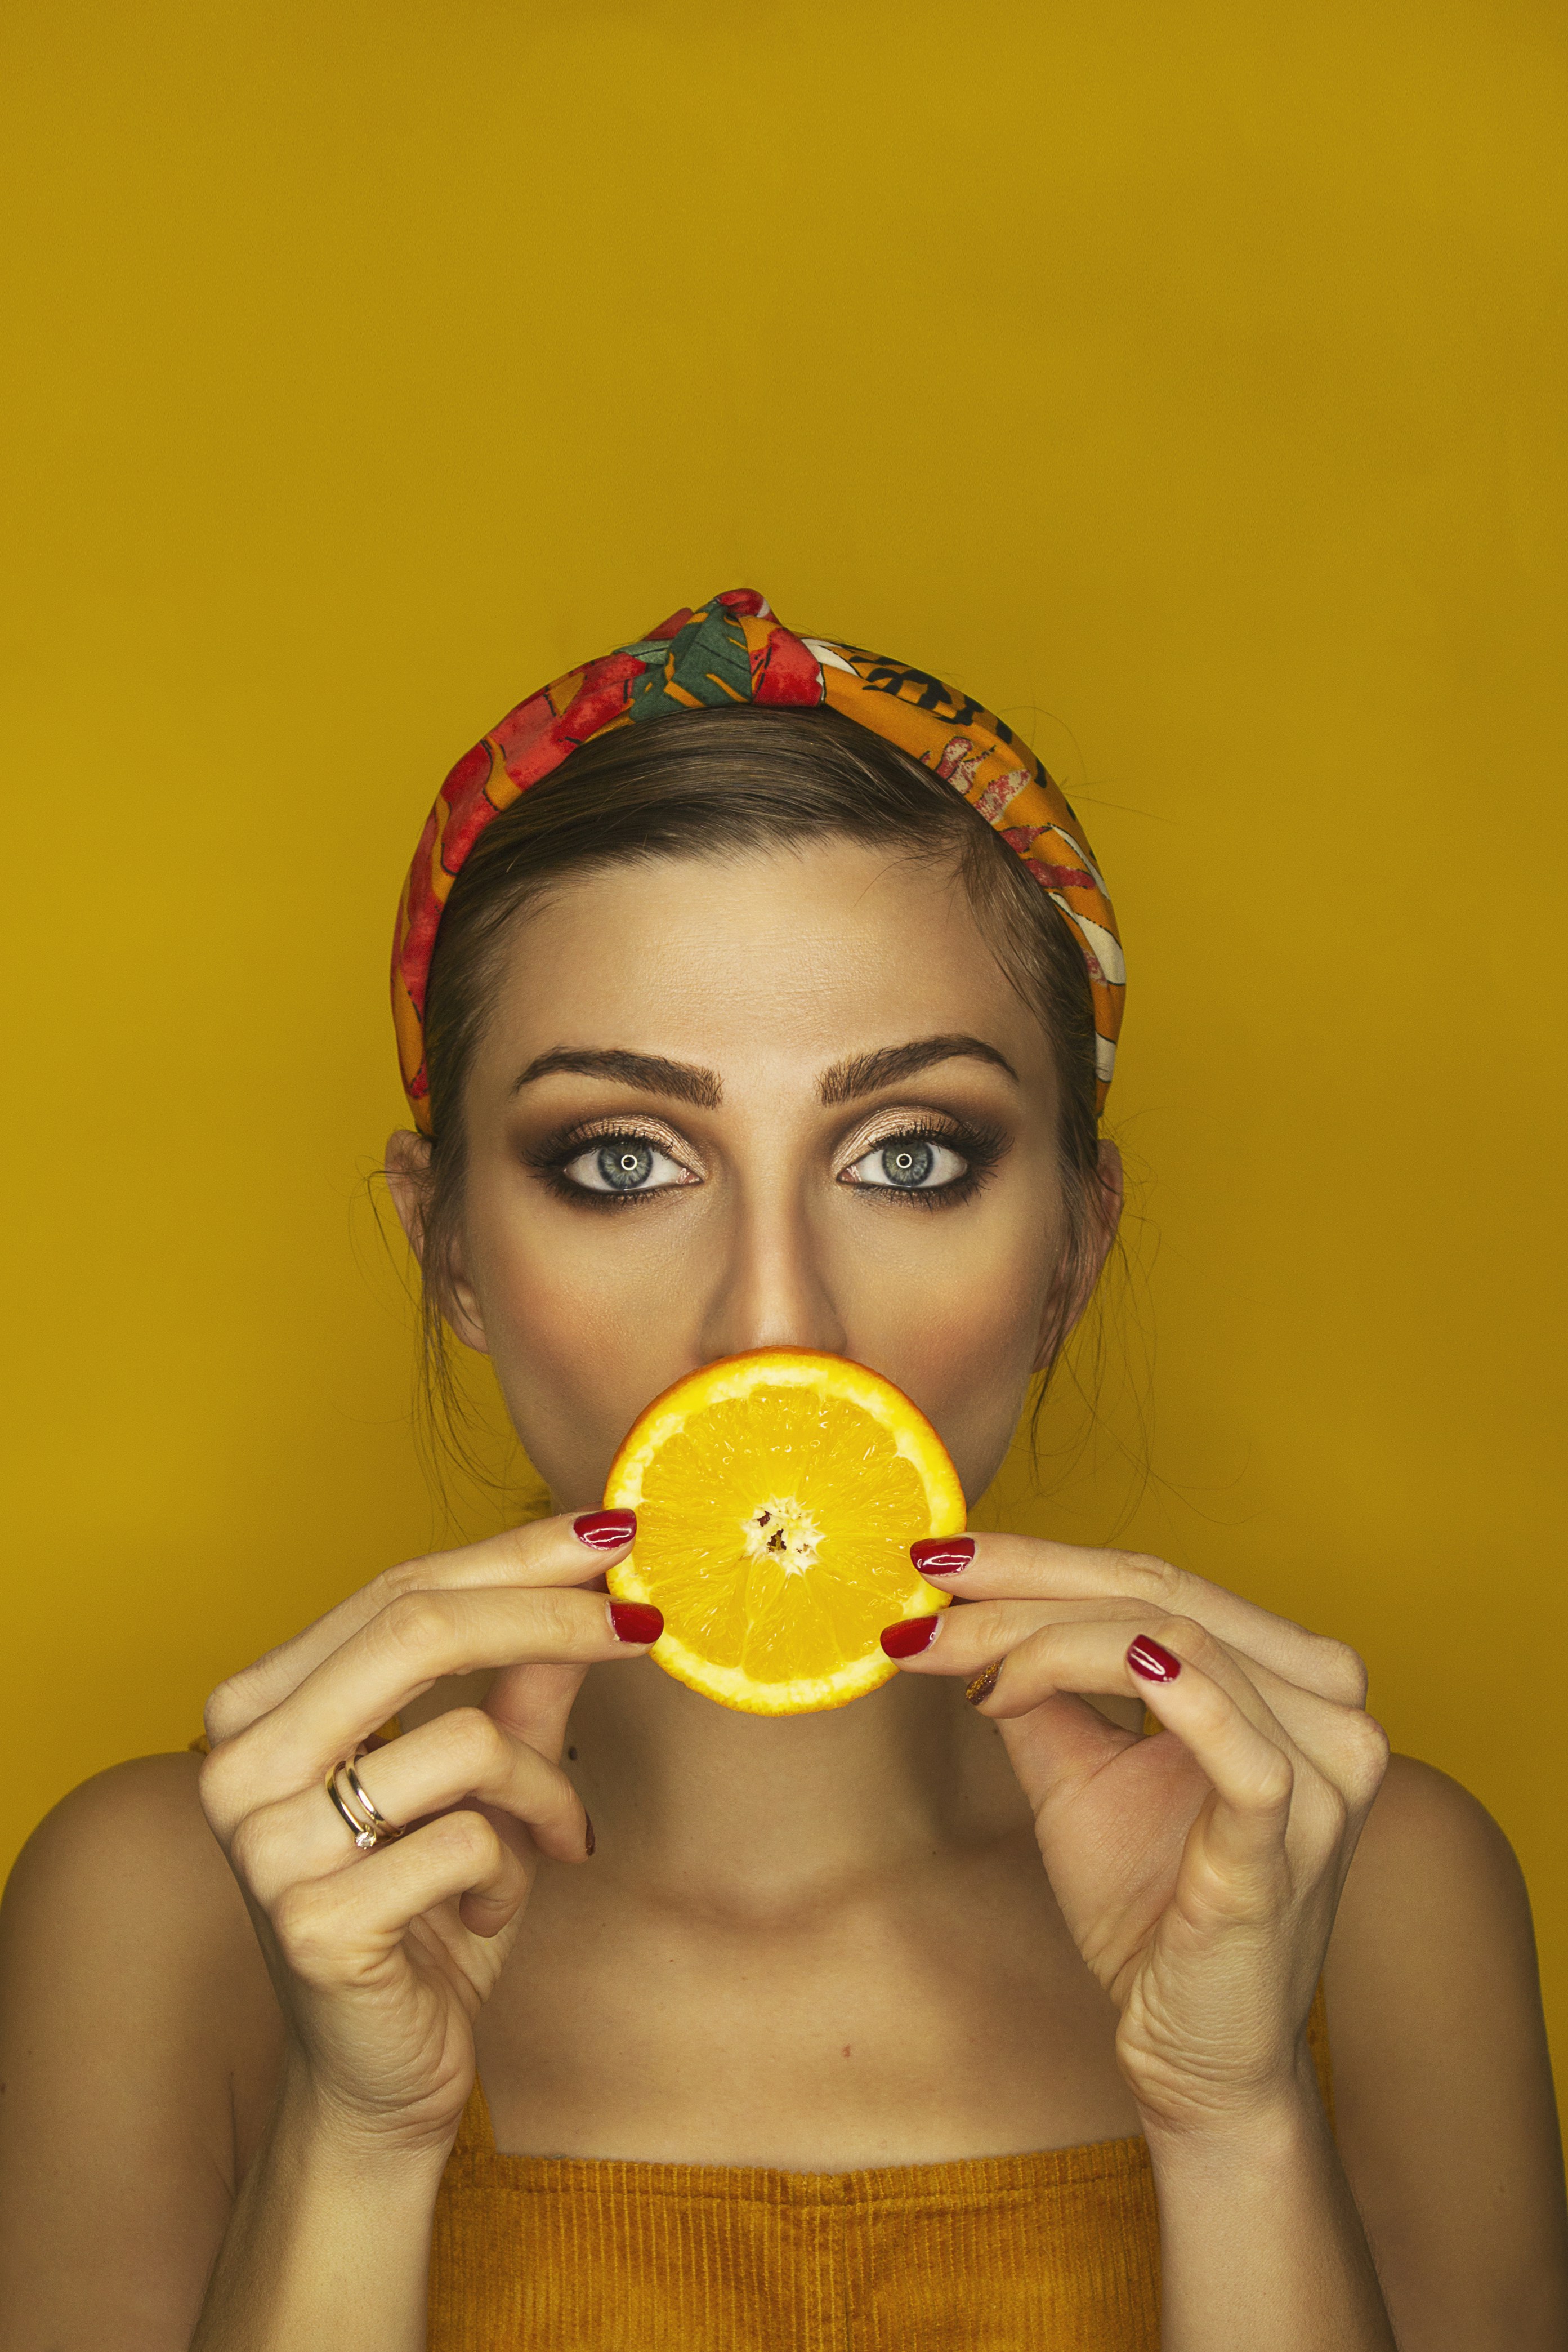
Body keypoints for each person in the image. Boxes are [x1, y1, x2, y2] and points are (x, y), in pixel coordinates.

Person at [1, 591, 1564, 2351]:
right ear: (444, 1244)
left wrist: (1234, 2118)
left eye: (908, 1155)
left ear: (1075, 1242)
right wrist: (360, 2141)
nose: (773, 1313)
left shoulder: (1366, 1883)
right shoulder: (168, 1908)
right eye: (616, 1158)